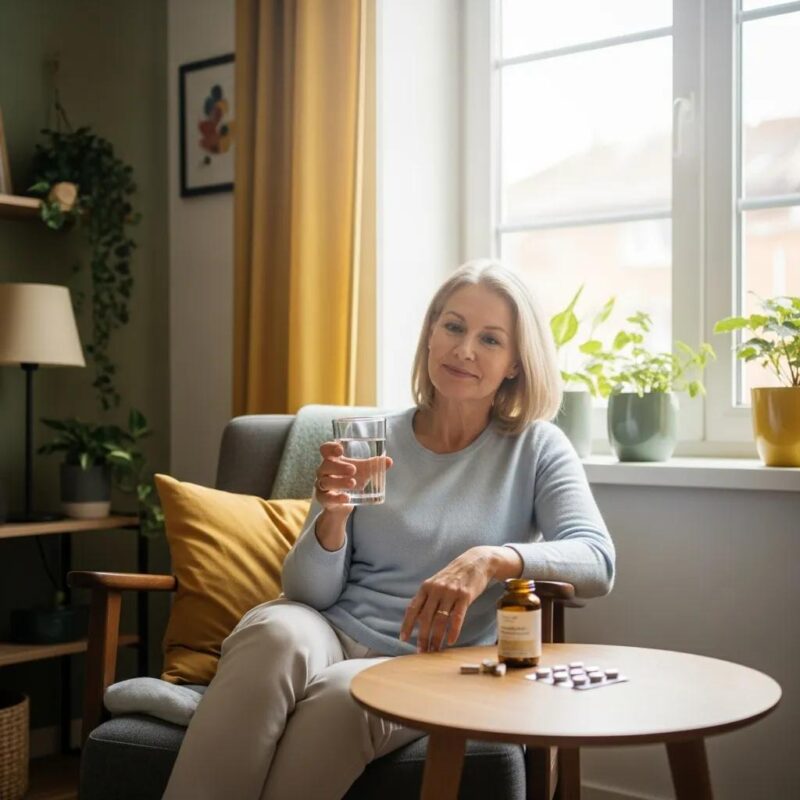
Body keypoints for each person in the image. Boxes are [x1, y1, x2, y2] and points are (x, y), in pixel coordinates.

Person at [163, 259, 615, 800]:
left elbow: (597, 560)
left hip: (429, 661)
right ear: (430, 334)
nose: (464, 349)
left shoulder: (535, 448)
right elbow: (307, 594)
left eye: (490, 339)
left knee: (342, 695)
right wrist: (331, 516)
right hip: (329, 628)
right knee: (272, 634)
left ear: (516, 364)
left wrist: (493, 559)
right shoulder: (369, 441)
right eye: (453, 326)